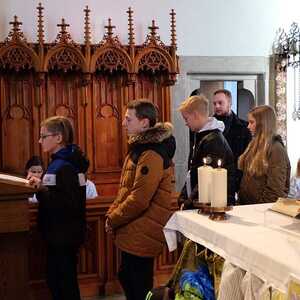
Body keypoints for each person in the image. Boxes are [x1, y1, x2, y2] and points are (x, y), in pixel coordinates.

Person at [105, 100, 176, 300]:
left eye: (129, 119)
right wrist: (112, 213)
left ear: (144, 123)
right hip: (135, 229)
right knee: (129, 278)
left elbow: (139, 199)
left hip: (142, 229)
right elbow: (125, 189)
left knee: (138, 287)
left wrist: (114, 218)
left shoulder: (151, 153)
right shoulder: (140, 148)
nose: (123, 123)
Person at [28, 116, 89, 300]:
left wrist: (41, 189)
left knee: (63, 284)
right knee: (58, 282)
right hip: (58, 234)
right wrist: (43, 189)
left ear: (58, 138)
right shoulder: (59, 163)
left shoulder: (65, 165)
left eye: (43, 136)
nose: (40, 141)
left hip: (63, 235)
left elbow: (68, 205)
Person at [178, 94, 235, 209]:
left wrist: (188, 203)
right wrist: (184, 196)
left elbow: (207, 179)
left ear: (195, 115)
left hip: (212, 204)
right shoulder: (202, 136)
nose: (186, 123)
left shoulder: (213, 140)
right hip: (198, 201)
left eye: (186, 118)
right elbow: (193, 171)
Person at [238, 105, 290, 204]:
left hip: (261, 210)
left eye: (252, 122)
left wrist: (258, 209)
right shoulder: (253, 145)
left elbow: (275, 190)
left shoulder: (276, 149)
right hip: (248, 207)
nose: (248, 126)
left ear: (263, 124)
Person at [212, 89, 252, 192]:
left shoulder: (244, 128)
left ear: (229, 103)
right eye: (214, 103)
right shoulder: (208, 126)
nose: (217, 106)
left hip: (236, 180)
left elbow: (247, 157)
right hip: (212, 179)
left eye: (220, 103)